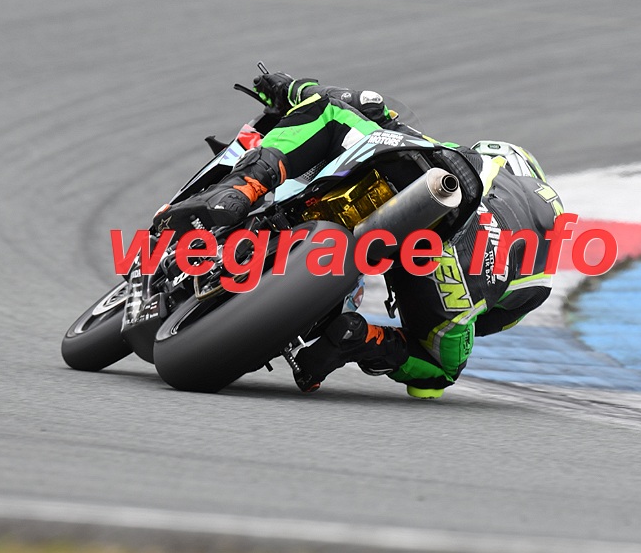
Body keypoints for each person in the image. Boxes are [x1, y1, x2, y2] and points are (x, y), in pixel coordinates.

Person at [163, 71, 562, 399]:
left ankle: (245, 186)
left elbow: (368, 105)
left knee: (331, 110)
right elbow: (492, 324)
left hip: (438, 187)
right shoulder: (542, 268)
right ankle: (359, 338)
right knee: (438, 373)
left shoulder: (480, 161)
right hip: (460, 280)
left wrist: (291, 88)